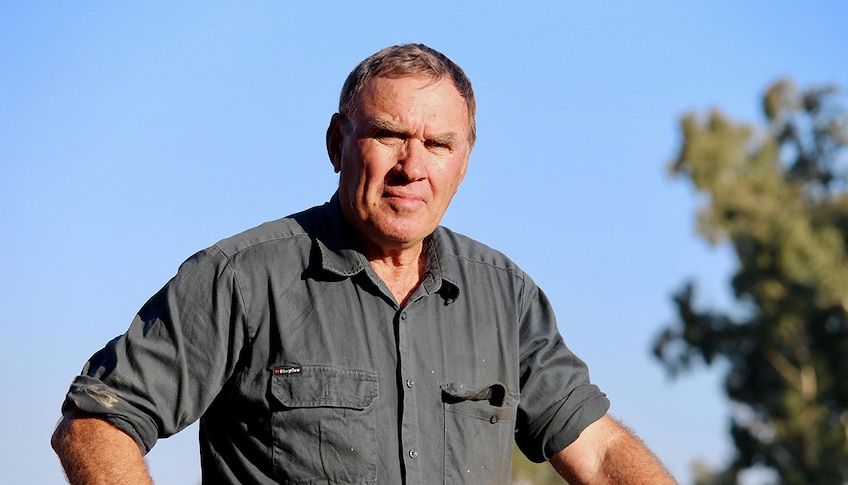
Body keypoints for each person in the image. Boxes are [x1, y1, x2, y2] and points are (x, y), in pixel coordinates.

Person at [52, 43, 676, 484]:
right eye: (388, 136)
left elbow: (597, 455)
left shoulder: (504, 297)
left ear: (465, 159)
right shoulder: (241, 278)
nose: (413, 166)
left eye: (437, 144)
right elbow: (96, 423)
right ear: (337, 143)